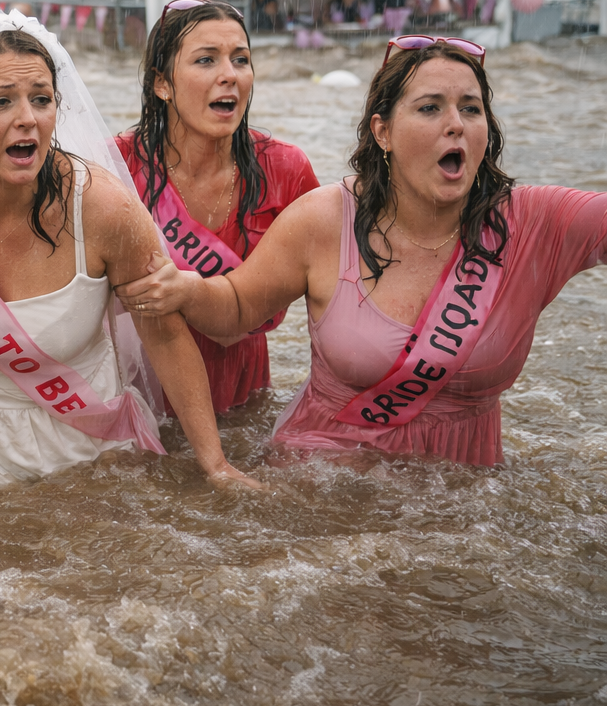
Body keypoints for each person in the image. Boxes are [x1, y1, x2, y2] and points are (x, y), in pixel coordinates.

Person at [116, 36, 607, 466]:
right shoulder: (325, 219)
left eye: (471, 108)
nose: (455, 124)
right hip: (323, 483)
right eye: (430, 107)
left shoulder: (534, 224)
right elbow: (239, 310)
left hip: (464, 497)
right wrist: (187, 290)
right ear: (383, 132)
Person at [0, 9, 259, 487]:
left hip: (83, 462)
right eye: (1, 102)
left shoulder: (105, 208)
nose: (27, 119)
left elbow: (165, 335)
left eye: (41, 99)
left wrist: (215, 466)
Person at [116, 0, 319, 413]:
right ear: (162, 84)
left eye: (240, 59)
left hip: (243, 392)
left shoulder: (286, 169)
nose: (229, 75)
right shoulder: (115, 167)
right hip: (139, 393)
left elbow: (337, 291)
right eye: (206, 60)